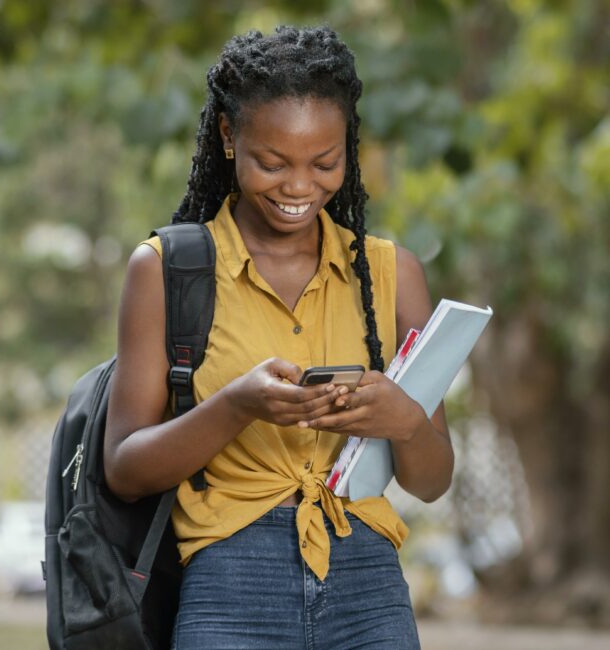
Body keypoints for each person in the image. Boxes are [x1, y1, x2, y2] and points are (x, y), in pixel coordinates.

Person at [103, 25, 453, 650]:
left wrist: (402, 419)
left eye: (325, 163)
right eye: (273, 163)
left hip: (369, 584)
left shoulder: (393, 275)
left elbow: (432, 479)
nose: (299, 188)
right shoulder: (167, 270)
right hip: (229, 582)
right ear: (229, 136)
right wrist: (238, 406)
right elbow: (125, 469)